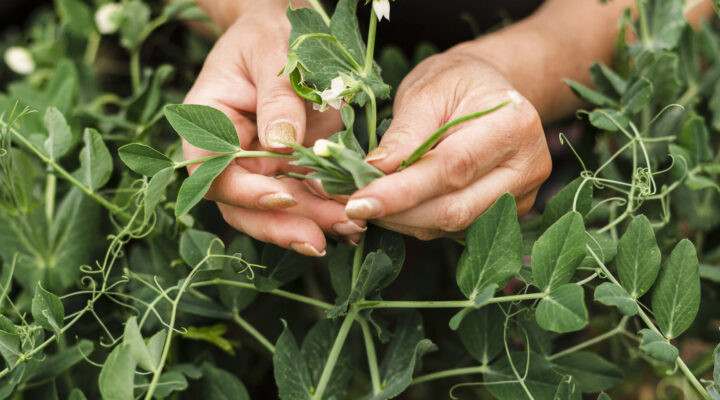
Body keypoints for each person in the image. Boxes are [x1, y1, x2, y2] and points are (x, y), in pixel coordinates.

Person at [184, 0, 713, 257]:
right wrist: (258, 18)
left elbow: (665, 10)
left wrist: (511, 74)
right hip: (288, 134)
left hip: (548, 132)